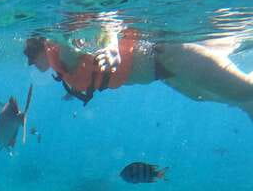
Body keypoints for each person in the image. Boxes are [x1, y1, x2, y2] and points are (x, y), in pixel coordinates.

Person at [24, 26, 253, 119]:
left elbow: (92, 30)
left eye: (29, 53)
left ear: (42, 46)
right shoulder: (62, 68)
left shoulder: (61, 51)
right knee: (232, 99)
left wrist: (111, 47)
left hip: (172, 57)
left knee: (245, 92)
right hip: (167, 72)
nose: (29, 61)